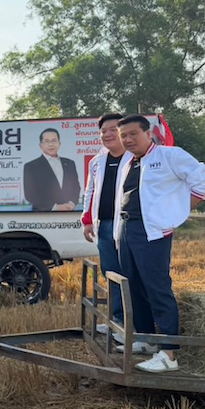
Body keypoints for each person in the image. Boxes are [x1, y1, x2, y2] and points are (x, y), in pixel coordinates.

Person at [113, 115, 205, 373]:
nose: (127, 139)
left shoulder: (171, 156)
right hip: (128, 229)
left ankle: (169, 353)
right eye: (123, 135)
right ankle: (147, 339)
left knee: (157, 288)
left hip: (153, 233)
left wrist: (173, 216)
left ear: (149, 134)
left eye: (133, 134)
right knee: (135, 286)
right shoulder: (130, 162)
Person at [81, 113, 133, 337]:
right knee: (111, 274)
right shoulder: (97, 161)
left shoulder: (135, 159)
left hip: (129, 226)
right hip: (104, 226)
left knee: (130, 275)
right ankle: (117, 322)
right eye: (103, 131)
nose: (108, 134)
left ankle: (134, 325)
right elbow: (89, 192)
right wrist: (86, 220)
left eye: (113, 129)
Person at [23, 128, 81, 211]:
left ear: (59, 143)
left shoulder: (70, 163)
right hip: (42, 216)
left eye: (54, 140)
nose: (51, 144)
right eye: (46, 141)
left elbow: (76, 187)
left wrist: (72, 203)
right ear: (40, 145)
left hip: (69, 215)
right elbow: (30, 194)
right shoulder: (31, 166)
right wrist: (55, 207)